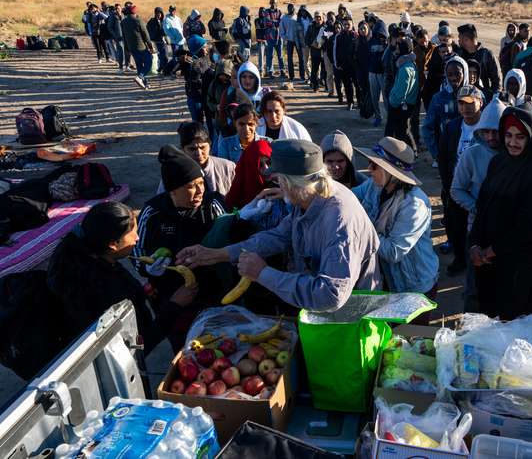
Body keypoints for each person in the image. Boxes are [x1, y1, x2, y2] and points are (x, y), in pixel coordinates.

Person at [177, 140, 382, 312]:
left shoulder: (339, 221)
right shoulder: (308, 196)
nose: (277, 186)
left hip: (351, 320)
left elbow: (330, 295)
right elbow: (278, 236)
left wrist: (263, 274)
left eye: (279, 181)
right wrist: (217, 254)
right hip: (318, 312)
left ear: (293, 183)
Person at [48, 202, 195, 354]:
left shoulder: (75, 255)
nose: (137, 238)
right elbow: (138, 347)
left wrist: (139, 292)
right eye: (133, 233)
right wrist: (175, 305)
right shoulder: (107, 291)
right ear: (113, 244)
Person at [133, 145, 226, 349]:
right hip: (173, 299)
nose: (200, 190)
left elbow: (231, 239)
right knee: (183, 349)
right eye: (192, 186)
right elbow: (136, 250)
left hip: (214, 294)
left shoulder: (212, 205)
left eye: (202, 183)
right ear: (172, 191)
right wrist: (148, 268)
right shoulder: (153, 213)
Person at [469, 105, 532, 320]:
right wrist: (475, 244)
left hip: (513, 266)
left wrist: (490, 251)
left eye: (520, 137)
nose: (512, 143)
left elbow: (527, 228)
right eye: (508, 135)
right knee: (485, 314)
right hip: (485, 261)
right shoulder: (498, 161)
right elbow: (483, 205)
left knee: (508, 320)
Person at [353, 137, 439, 298]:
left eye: (374, 165)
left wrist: (361, 227)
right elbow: (349, 197)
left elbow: (393, 252)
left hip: (413, 288)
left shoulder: (414, 204)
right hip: (389, 281)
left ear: (390, 172)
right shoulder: (374, 185)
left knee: (409, 325)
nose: (368, 169)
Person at [451, 96, 506, 310]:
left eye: (496, 131)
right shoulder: (471, 155)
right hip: (477, 231)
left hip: (504, 235)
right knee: (474, 289)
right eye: (486, 131)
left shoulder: (513, 154)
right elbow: (457, 189)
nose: (491, 137)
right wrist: (477, 208)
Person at [439, 85, 484, 276]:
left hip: (478, 190)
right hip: (456, 187)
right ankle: (460, 258)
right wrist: (448, 184)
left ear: (480, 103)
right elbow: (443, 157)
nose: (465, 108)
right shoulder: (452, 127)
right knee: (455, 226)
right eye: (461, 103)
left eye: (469, 103)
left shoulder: (487, 129)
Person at [157, 122, 235, 198]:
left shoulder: (228, 167)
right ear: (183, 149)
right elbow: (162, 202)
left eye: (202, 147)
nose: (198, 153)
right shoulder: (173, 173)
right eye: (192, 149)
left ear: (210, 145)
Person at [421, 56, 468, 165]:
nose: (453, 78)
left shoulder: (476, 96)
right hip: (448, 155)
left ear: (465, 73)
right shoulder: (439, 98)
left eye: (458, 74)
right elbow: (427, 128)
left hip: (470, 156)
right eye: (450, 74)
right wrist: (437, 154)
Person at [387, 38, 419, 152]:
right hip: (407, 103)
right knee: (404, 129)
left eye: (397, 47)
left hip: (403, 104)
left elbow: (401, 91)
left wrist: (392, 101)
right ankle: (412, 151)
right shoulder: (409, 63)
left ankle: (410, 152)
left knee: (402, 131)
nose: (395, 50)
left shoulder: (405, 68)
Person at [225, 138, 273, 209]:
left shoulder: (283, 187)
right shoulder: (236, 195)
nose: (266, 168)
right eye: (260, 165)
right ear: (250, 167)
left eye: (269, 163)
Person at [457, 24, 500, 93]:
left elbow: (497, 81)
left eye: (459, 38)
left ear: (466, 39)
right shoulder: (459, 54)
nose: (458, 40)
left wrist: (492, 97)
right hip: (462, 97)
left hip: (482, 97)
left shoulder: (486, 55)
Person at [121, 5, 155, 90]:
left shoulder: (123, 22)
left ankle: (145, 84)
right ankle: (140, 77)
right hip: (141, 47)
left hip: (131, 47)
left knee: (139, 65)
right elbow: (146, 35)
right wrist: (151, 47)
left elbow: (124, 36)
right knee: (149, 62)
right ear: (135, 12)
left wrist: (126, 49)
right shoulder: (138, 20)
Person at [178, 35, 209, 123]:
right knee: (198, 122)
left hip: (204, 95)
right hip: (195, 97)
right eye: (204, 47)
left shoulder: (204, 59)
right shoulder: (190, 63)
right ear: (198, 49)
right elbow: (194, 81)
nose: (206, 49)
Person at [207, 59, 235, 143]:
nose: (223, 77)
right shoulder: (214, 84)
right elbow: (209, 100)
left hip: (233, 119)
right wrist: (215, 107)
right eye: (221, 75)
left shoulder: (234, 84)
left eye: (226, 75)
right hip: (219, 119)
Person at [368, 20, 389, 126]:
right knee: (374, 97)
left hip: (383, 74)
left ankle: (390, 118)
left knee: (386, 98)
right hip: (372, 73)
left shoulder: (387, 43)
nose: (380, 34)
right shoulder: (371, 40)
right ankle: (378, 117)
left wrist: (384, 46)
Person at [334, 17, 358, 110]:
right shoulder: (339, 36)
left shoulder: (356, 36)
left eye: (349, 24)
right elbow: (335, 51)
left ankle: (360, 102)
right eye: (345, 24)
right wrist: (337, 64)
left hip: (355, 66)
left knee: (357, 84)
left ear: (352, 25)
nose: (347, 26)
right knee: (347, 85)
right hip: (344, 66)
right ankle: (350, 102)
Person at [354, 21, 374, 118]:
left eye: (364, 28)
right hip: (360, 71)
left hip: (370, 71)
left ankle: (371, 111)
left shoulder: (371, 41)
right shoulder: (357, 41)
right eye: (360, 29)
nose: (362, 31)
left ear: (368, 29)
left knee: (371, 92)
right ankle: (364, 110)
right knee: (363, 91)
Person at [279, 4, 301, 82]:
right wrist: (286, 37)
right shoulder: (284, 18)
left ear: (295, 9)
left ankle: (302, 75)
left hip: (298, 40)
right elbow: (281, 31)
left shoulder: (297, 17)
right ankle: (291, 76)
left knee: (301, 58)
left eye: (293, 8)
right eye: (290, 8)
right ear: (288, 9)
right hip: (289, 41)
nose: (291, 9)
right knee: (289, 59)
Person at [265, 0, 285, 78]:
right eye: (272, 3)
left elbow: (281, 22)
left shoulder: (279, 11)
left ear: (277, 3)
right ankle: (270, 71)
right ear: (270, 3)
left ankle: (282, 70)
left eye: (274, 3)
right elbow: (267, 22)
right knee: (270, 55)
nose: (273, 4)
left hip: (279, 36)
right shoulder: (267, 11)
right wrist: (276, 22)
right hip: (270, 36)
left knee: (280, 55)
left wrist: (274, 22)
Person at [146, 7, 169, 73]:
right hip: (156, 42)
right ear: (155, 13)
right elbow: (148, 30)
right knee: (159, 57)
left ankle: (163, 69)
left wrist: (166, 39)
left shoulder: (163, 21)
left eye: (160, 13)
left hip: (163, 41)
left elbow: (165, 32)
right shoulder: (152, 21)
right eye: (157, 13)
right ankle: (160, 69)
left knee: (165, 56)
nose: (159, 15)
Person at [307, 11, 325, 92]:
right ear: (314, 18)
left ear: (322, 18)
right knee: (314, 70)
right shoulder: (311, 27)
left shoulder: (326, 26)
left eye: (319, 17)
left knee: (325, 71)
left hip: (324, 52)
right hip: (314, 52)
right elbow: (306, 39)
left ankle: (326, 86)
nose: (318, 18)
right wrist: (312, 43)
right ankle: (315, 86)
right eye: (316, 17)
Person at [106, 5, 128, 73]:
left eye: (118, 8)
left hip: (126, 37)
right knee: (120, 52)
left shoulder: (124, 15)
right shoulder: (112, 16)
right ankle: (121, 67)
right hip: (118, 37)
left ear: (121, 8)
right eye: (116, 9)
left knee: (127, 52)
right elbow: (109, 27)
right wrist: (115, 35)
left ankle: (127, 66)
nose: (117, 10)